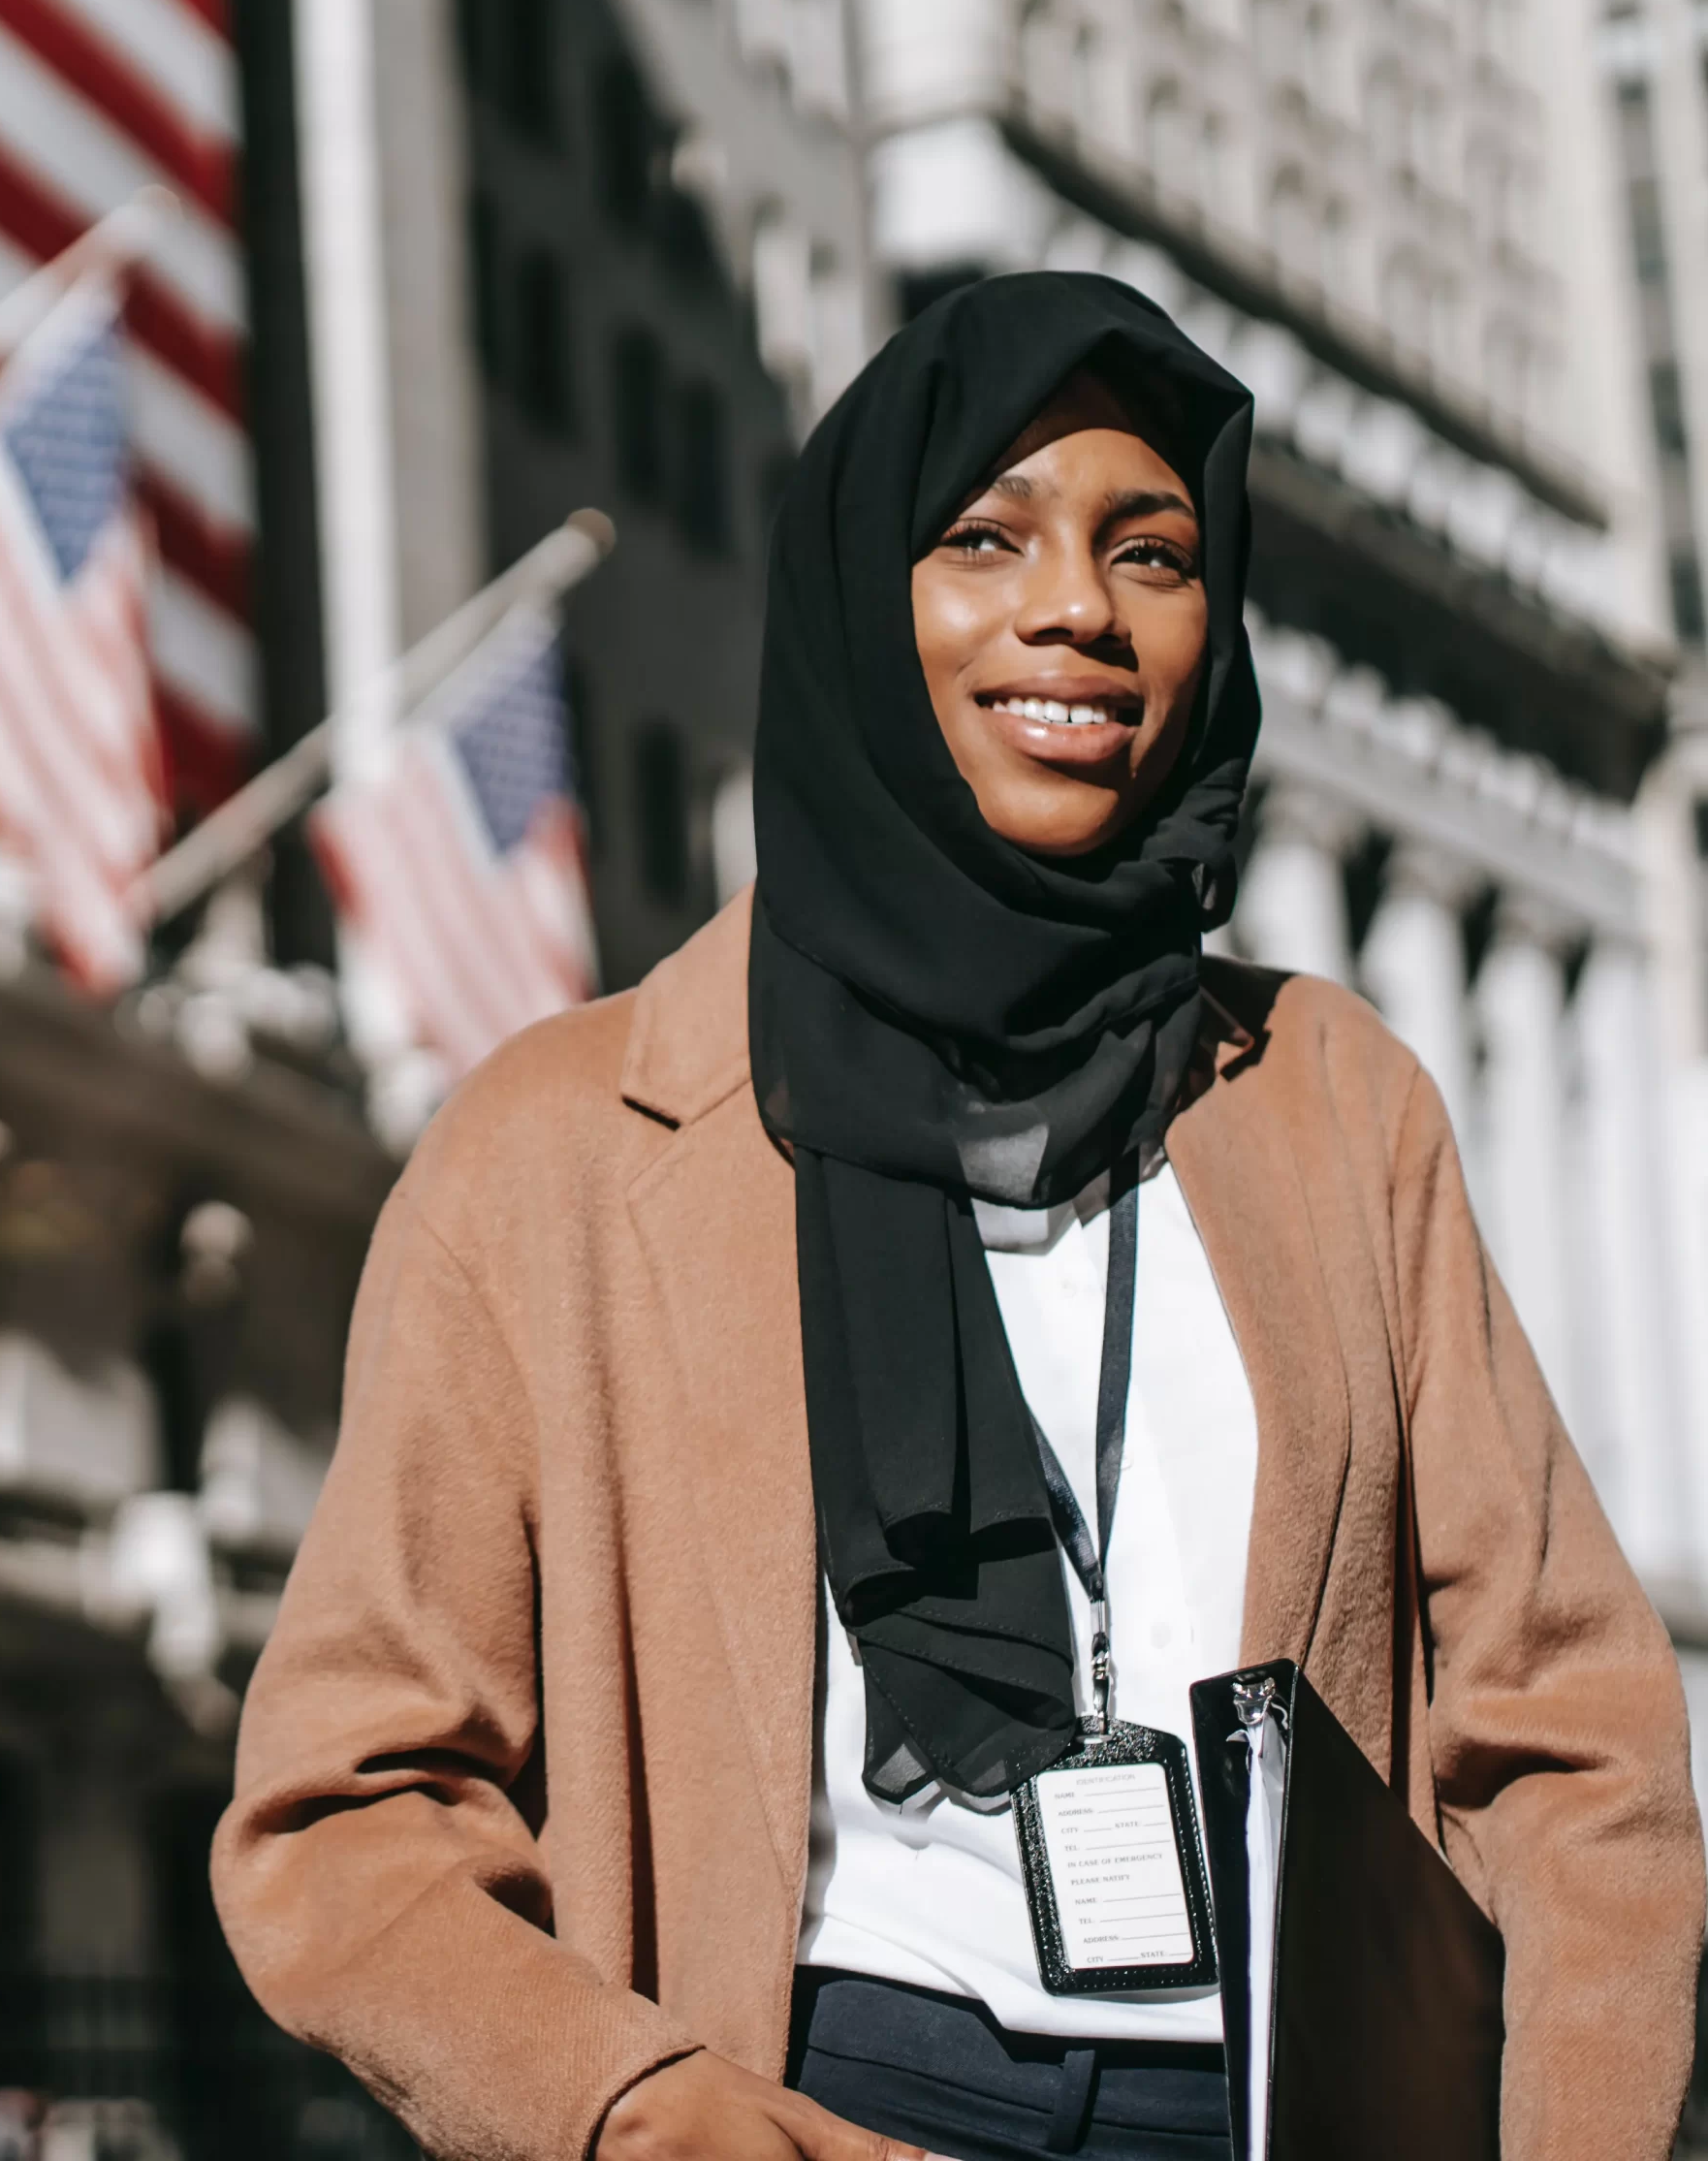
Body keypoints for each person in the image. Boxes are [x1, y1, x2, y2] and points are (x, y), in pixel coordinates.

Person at [211, 275, 1706, 2161]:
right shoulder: (558, 1143)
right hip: (812, 2089)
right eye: (983, 537)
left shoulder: (1328, 1099)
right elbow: (344, 1804)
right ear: (857, 596)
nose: (1074, 605)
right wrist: (643, 2120)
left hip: (1292, 2099)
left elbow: (1567, 1729)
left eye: (1148, 550)